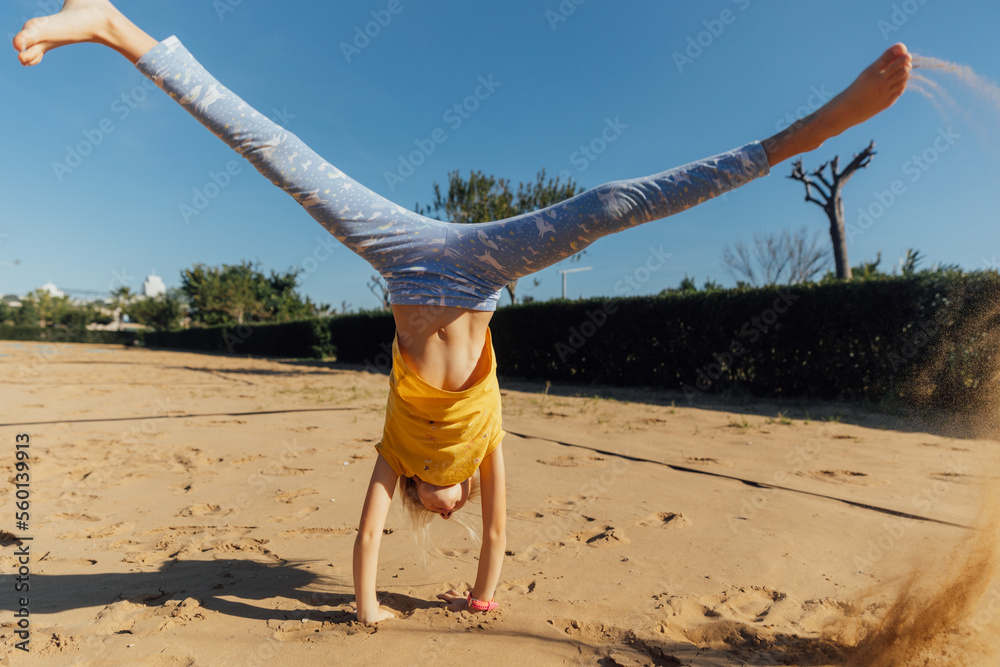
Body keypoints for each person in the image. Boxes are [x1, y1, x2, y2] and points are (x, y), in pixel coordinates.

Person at [13, 0, 912, 625]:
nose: (449, 511)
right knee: (604, 206)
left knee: (279, 155)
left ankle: (797, 138)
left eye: (435, 509)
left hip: (405, 261)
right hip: (486, 271)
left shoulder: (398, 452)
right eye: (454, 508)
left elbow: (366, 531)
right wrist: (482, 596)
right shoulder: (483, 450)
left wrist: (365, 604)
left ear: (415, 489)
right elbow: (501, 534)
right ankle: (115, 30)